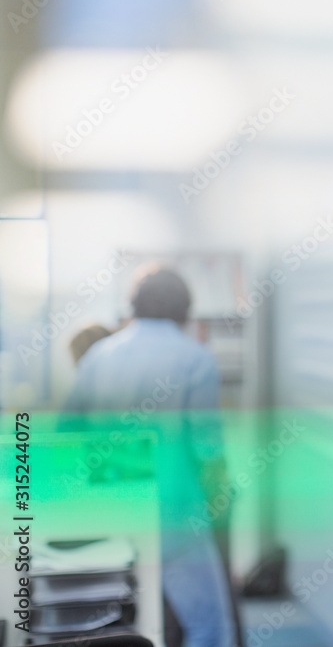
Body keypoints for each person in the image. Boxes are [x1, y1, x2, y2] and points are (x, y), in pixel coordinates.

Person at [63, 265, 236, 647]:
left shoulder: (98, 356)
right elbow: (208, 448)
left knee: (121, 621)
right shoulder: (195, 358)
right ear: (185, 311)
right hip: (174, 514)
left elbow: (65, 436)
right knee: (208, 625)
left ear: (133, 306)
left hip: (108, 510)